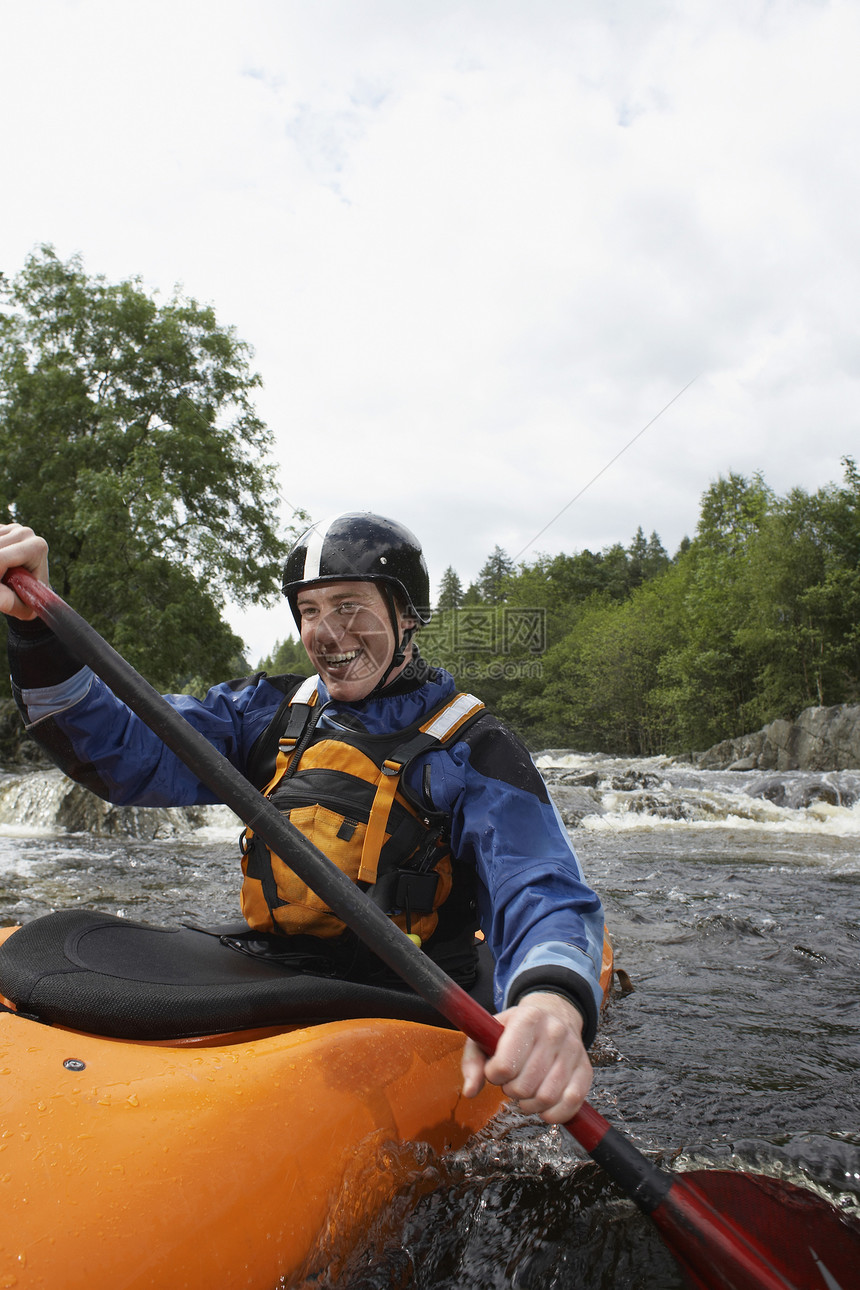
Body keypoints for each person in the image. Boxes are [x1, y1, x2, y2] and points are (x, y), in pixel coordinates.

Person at [0, 514, 605, 1124]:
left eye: (349, 606)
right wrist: (35, 636)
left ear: (406, 616)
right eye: (310, 611)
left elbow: (539, 884)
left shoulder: (472, 747)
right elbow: (119, 752)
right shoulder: (267, 711)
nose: (326, 632)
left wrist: (551, 1001)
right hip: (274, 966)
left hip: (406, 991)